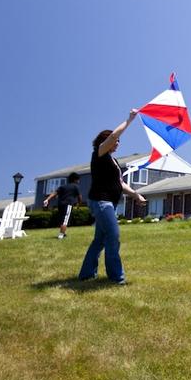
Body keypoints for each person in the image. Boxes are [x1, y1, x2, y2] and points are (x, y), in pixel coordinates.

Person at [78, 109, 146, 285]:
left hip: (108, 202)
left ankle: (86, 274)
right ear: (105, 141)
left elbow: (120, 184)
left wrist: (136, 195)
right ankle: (117, 277)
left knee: (100, 240)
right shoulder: (99, 153)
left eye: (119, 142)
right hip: (101, 201)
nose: (118, 143)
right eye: (116, 141)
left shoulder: (113, 161)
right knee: (113, 236)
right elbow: (115, 134)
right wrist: (130, 120)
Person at [43, 172, 82, 239]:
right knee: (65, 220)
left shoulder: (63, 186)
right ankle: (61, 235)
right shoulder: (75, 186)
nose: (79, 181)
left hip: (60, 204)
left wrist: (47, 199)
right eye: (78, 179)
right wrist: (79, 204)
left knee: (62, 219)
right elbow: (80, 197)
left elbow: (54, 193)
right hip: (68, 204)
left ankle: (63, 233)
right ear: (75, 180)